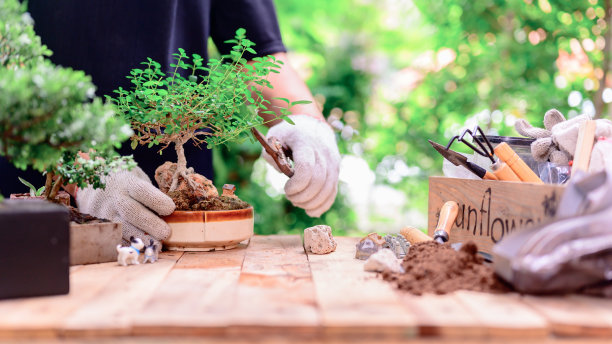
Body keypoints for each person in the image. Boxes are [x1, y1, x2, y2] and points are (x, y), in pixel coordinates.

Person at [0, 0, 340, 246]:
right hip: (45, 205)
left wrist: (308, 125)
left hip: (181, 214)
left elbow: (256, 52)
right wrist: (84, 171)